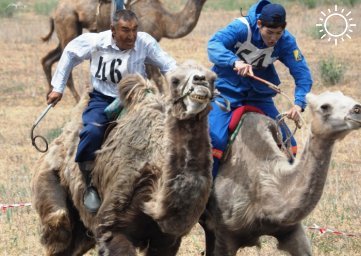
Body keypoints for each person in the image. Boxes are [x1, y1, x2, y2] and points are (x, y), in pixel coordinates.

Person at [47, 9, 176, 213]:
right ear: (113, 30)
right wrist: (57, 87)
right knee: (92, 132)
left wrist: (178, 88)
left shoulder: (145, 42)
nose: (131, 36)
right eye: (125, 30)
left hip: (137, 99)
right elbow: (70, 52)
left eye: (134, 30)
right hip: (102, 98)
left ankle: (165, 183)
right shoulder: (96, 41)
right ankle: (90, 185)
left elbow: (169, 65)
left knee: (161, 133)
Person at [207, 0, 313, 177]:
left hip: (259, 95)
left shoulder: (286, 41)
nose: (273, 38)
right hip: (225, 91)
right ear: (259, 24)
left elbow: (303, 75)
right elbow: (213, 45)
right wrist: (234, 62)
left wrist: (299, 104)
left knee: (289, 145)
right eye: (269, 32)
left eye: (278, 33)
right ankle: (208, 192)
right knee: (215, 141)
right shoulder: (241, 28)